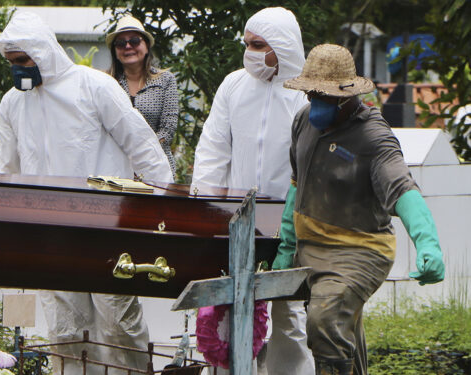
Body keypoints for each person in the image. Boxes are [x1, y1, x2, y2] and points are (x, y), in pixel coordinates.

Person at [0, 11, 172, 374]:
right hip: (48, 233)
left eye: (23, 61)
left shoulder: (95, 87)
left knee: (119, 323)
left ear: (43, 51)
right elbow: (5, 169)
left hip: (106, 228)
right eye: (11, 63)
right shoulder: (13, 103)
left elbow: (143, 145)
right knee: (65, 331)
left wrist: (166, 209)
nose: (18, 70)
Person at [278, 43, 445, 374]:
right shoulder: (304, 123)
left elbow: (402, 189)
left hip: (358, 249)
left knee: (325, 316)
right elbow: (297, 185)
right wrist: (285, 245)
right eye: (310, 94)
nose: (313, 102)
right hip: (311, 245)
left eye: (322, 96)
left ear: (345, 96)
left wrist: (427, 242)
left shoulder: (373, 136)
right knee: (343, 326)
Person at [192, 7, 315, 375]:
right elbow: (213, 150)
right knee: (228, 315)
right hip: (235, 222)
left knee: (287, 315)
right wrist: (207, 210)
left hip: (288, 225)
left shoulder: (306, 94)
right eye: (247, 44)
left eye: (258, 45)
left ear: (282, 46)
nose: (250, 53)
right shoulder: (234, 85)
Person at [106, 15, 179, 176]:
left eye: (134, 41)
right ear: (115, 52)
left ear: (146, 46)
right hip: (116, 170)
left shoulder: (166, 80)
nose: (127, 46)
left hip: (157, 168)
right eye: (120, 43)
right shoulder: (106, 83)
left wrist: (142, 151)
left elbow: (168, 129)